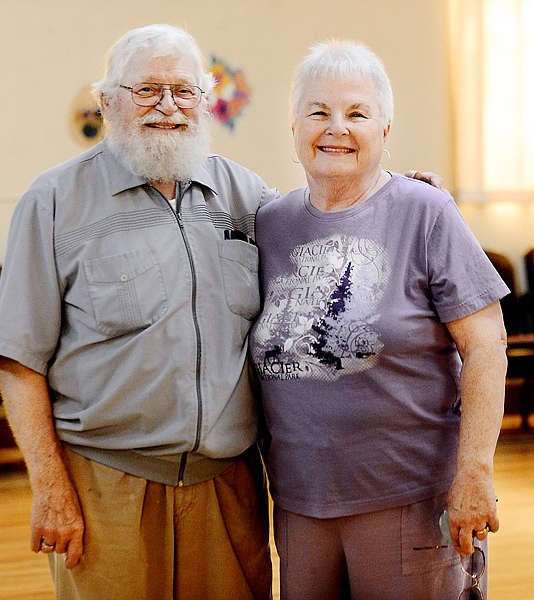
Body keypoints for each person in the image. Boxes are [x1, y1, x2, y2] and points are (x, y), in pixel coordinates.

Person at [0, 24, 276, 600]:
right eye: (147, 90)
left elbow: (328, 235)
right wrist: (50, 491)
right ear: (108, 100)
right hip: (104, 491)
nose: (167, 106)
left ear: (205, 100)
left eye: (184, 91)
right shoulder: (52, 202)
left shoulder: (249, 196)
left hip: (228, 488)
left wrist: (404, 197)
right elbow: (19, 362)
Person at [249, 40, 508, 600]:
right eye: (318, 112)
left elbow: (487, 345)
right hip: (298, 501)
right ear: (294, 129)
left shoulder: (426, 212)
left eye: (357, 113)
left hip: (409, 498)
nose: (335, 127)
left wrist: (476, 474)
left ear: (385, 130)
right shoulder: (270, 224)